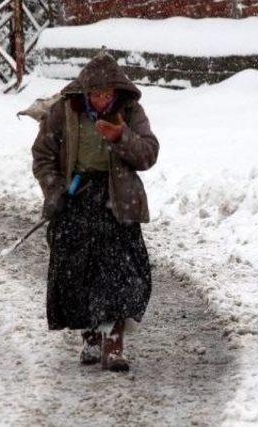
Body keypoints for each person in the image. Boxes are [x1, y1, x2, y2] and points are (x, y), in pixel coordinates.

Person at [31, 50, 159, 372]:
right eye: (96, 94)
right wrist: (54, 190)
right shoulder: (65, 110)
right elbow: (43, 155)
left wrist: (122, 137)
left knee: (120, 275)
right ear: (86, 92)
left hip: (117, 202)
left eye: (107, 94)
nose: (102, 100)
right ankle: (90, 338)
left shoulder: (129, 111)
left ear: (116, 92)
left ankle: (114, 347)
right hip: (77, 198)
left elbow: (148, 154)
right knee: (78, 274)